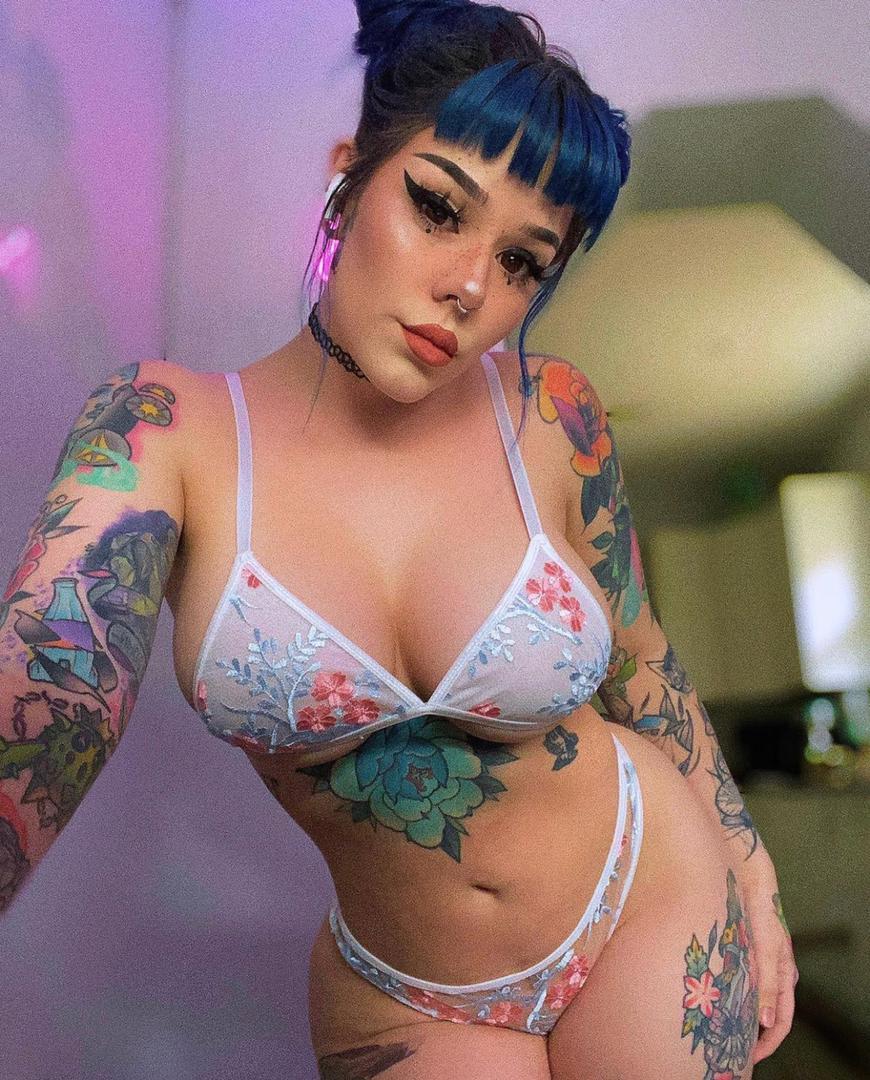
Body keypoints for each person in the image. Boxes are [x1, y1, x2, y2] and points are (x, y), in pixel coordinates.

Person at [0, 1, 798, 1077]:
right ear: (348, 180)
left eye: (522, 262)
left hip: (648, 896)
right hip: (409, 994)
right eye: (437, 207)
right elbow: (48, 697)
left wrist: (751, 866)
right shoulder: (167, 429)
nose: (470, 285)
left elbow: (640, 655)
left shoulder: (554, 416)